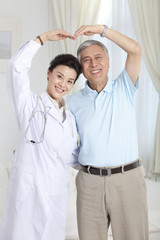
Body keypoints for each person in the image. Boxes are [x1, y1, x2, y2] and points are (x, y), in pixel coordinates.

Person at [67, 25, 149, 240]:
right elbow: (62, 140)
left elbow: (135, 50)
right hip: (89, 183)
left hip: (128, 179)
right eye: (86, 60)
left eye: (98, 57)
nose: (94, 64)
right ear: (80, 67)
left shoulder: (124, 87)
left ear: (108, 61)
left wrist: (101, 30)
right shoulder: (73, 102)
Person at [0, 29, 81, 240]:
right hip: (28, 196)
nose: (63, 84)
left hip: (56, 198)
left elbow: (73, 157)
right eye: (59, 76)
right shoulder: (29, 105)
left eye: (70, 81)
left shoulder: (70, 120)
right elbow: (16, 68)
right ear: (48, 73)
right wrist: (41, 39)